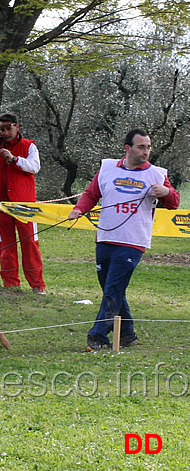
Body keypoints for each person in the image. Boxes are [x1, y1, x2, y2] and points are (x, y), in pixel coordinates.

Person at [67, 129, 179, 352]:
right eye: (141, 147)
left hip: (133, 241)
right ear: (128, 148)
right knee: (110, 287)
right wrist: (79, 209)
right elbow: (91, 194)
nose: (146, 151)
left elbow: (174, 203)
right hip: (106, 237)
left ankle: (97, 336)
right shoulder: (108, 168)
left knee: (114, 287)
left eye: (148, 147)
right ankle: (127, 335)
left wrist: (166, 191)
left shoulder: (156, 174)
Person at [0, 113, 46, 294]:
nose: (5, 132)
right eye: (2, 128)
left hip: (26, 205)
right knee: (5, 245)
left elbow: (34, 167)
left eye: (8, 128)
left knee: (30, 243)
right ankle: (11, 284)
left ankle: (37, 285)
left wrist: (15, 159)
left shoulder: (29, 145)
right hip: (1, 204)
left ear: (17, 127)